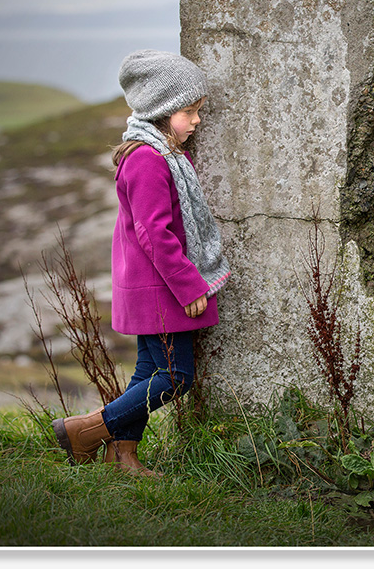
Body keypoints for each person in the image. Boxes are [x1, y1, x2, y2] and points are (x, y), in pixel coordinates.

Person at [52, 49, 231, 476]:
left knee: (149, 371)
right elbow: (155, 233)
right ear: (162, 110)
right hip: (161, 287)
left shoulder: (165, 154)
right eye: (189, 112)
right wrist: (190, 285)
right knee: (177, 376)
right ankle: (84, 431)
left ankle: (123, 456)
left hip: (154, 285)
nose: (196, 121)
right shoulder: (148, 160)